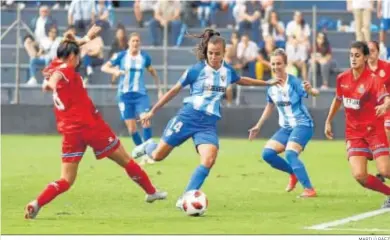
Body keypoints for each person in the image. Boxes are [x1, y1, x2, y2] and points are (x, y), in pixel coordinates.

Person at [24, 26, 167, 220]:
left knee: (66, 180)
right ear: (73, 57)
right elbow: (59, 76)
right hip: (91, 127)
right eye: (78, 54)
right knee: (125, 160)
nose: (80, 56)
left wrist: (85, 38)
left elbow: (63, 59)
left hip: (70, 133)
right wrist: (51, 84)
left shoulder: (53, 65)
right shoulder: (65, 70)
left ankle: (37, 203)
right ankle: (151, 191)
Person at [131, 28, 281, 208]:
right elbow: (174, 90)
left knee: (209, 159)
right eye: (210, 53)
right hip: (187, 117)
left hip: (207, 124)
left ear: (224, 53)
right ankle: (149, 146)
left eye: (217, 54)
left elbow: (242, 80)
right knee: (157, 156)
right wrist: (153, 111)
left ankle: (185, 197)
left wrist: (265, 83)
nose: (213, 57)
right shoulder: (196, 70)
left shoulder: (228, 72)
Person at [324, 41, 390, 209]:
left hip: (374, 131)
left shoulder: (373, 80)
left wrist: (384, 105)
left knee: (385, 171)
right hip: (354, 133)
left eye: (357, 55)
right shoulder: (342, 78)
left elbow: (386, 98)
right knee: (360, 175)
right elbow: (338, 99)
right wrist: (328, 120)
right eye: (351, 55)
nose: (353, 59)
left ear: (366, 58)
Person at [248, 48, 319, 198]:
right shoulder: (271, 85)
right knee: (267, 154)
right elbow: (270, 106)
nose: (275, 67)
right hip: (286, 128)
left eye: (279, 63)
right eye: (273, 64)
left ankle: (309, 189)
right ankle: (293, 173)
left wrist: (311, 90)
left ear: (285, 64)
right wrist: (258, 125)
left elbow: (313, 93)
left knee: (290, 154)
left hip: (302, 125)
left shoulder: (294, 82)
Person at [101, 32, 163, 165]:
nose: (135, 43)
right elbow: (104, 67)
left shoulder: (145, 57)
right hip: (124, 96)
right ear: (128, 43)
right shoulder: (121, 56)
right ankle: (143, 154)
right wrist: (115, 71)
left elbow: (153, 72)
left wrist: (159, 89)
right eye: (133, 41)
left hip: (140, 95)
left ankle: (150, 154)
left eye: (137, 41)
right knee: (132, 129)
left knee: (146, 121)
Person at [368, 41, 390, 183]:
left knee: (386, 131)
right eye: (368, 51)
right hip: (371, 111)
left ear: (378, 52)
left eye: (373, 51)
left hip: (387, 107)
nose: (371, 54)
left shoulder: (386, 67)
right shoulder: (363, 70)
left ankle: (383, 170)